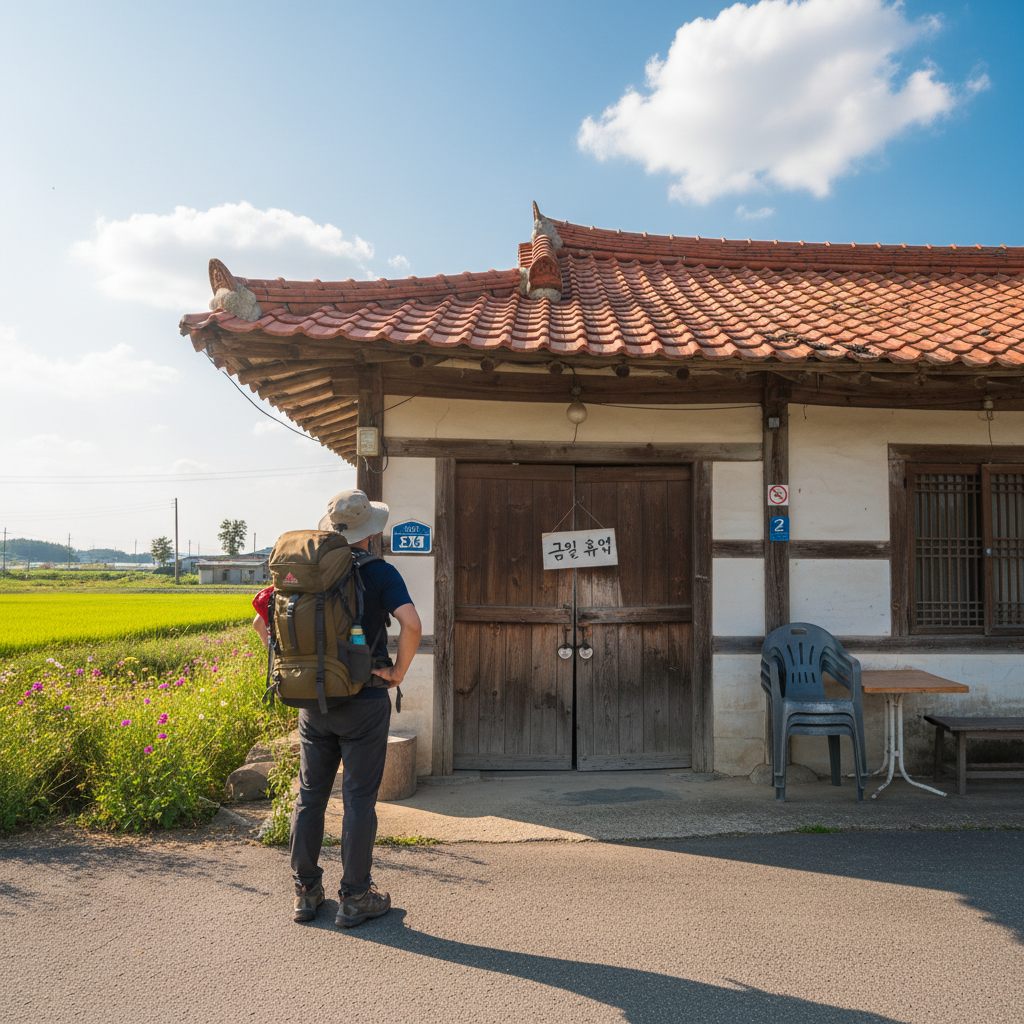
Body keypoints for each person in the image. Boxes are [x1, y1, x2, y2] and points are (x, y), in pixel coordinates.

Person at [252, 489, 421, 927]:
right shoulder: (380, 572)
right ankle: (355, 897)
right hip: (363, 698)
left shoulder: (304, 572)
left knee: (310, 796)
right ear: (372, 533)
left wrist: (295, 664)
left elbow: (260, 620)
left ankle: (305, 893)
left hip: (312, 701)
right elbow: (412, 624)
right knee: (358, 799)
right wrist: (397, 672)